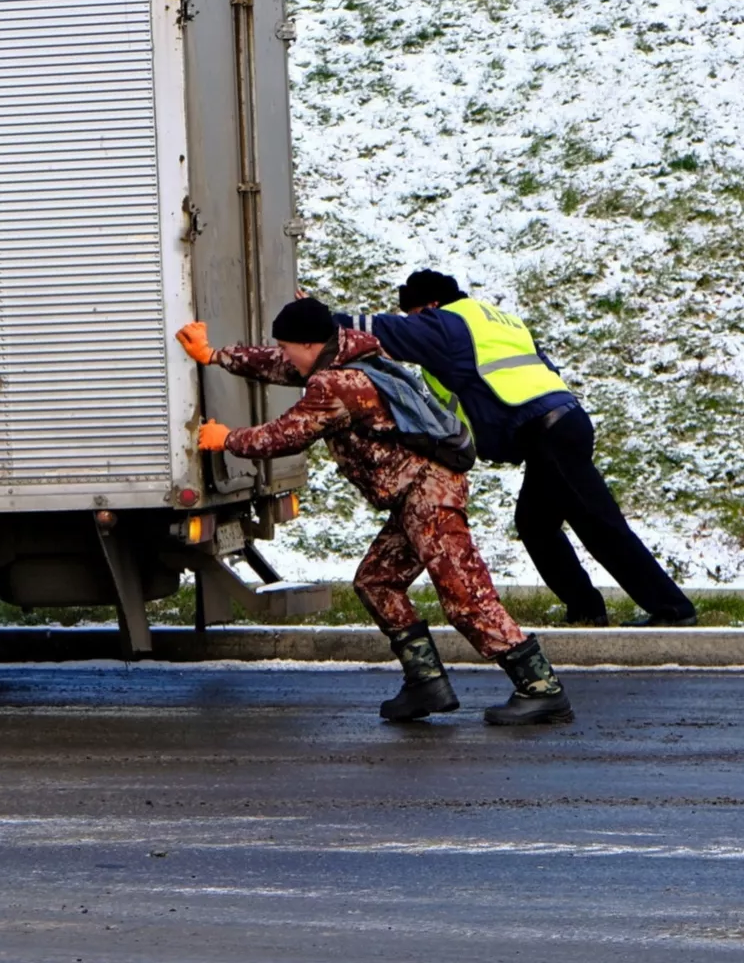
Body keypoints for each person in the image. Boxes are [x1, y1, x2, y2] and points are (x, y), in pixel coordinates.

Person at [175, 299, 573, 725]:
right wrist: (215, 356)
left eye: (289, 345)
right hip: (413, 496)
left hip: (429, 497)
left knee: (465, 596)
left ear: (311, 343)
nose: (285, 353)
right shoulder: (349, 354)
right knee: (376, 581)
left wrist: (227, 438)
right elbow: (278, 365)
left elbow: (285, 436)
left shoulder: (339, 385)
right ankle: (426, 684)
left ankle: (540, 688)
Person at [334, 270, 697, 627]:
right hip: (560, 423)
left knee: (599, 523)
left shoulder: (444, 323)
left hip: (547, 432)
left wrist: (317, 322)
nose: (413, 323)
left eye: (413, 314)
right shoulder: (496, 319)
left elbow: (380, 329)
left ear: (430, 305)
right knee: (535, 523)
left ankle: (672, 608)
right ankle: (586, 609)